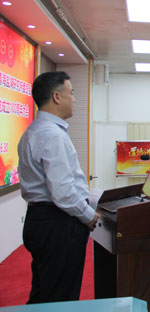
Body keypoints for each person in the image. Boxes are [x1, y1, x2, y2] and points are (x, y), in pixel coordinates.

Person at [18, 71, 99, 303]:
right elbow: (63, 192)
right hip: (58, 224)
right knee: (60, 298)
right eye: (71, 93)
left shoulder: (33, 132)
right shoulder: (51, 135)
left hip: (41, 220)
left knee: (44, 294)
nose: (74, 99)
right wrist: (89, 215)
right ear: (56, 97)